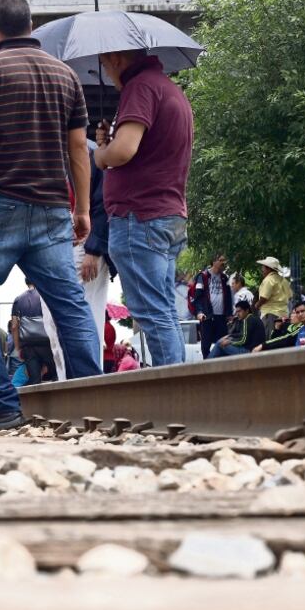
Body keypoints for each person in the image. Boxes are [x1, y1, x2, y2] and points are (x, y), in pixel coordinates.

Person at [0, 0, 100, 434]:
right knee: (69, 305)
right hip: (52, 208)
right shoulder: (63, 75)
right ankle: (94, 398)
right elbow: (77, 150)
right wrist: (82, 210)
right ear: (30, 25)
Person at [94, 39, 194, 367]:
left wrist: (101, 155)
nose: (106, 73)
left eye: (105, 65)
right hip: (166, 215)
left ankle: (175, 394)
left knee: (152, 312)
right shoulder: (169, 89)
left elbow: (123, 151)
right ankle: (180, 384)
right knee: (162, 309)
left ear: (116, 57)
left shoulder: (140, 88)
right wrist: (110, 143)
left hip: (140, 216)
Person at [44, 141, 113, 378]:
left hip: (83, 246)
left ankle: (89, 383)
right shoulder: (45, 150)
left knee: (88, 318)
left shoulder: (90, 153)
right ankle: (68, 385)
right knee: (53, 324)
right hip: (54, 249)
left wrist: (94, 249)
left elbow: (103, 203)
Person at [11, 279, 56, 385]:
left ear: (26, 282)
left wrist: (18, 347)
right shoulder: (45, 296)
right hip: (47, 343)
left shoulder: (18, 300)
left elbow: (14, 326)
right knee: (56, 376)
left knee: (34, 380)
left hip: (28, 346)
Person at [191, 254, 232, 359]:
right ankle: (207, 369)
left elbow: (228, 297)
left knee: (224, 344)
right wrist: (199, 312)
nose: (224, 263)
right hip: (207, 316)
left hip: (221, 317)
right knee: (206, 345)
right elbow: (198, 297)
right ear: (214, 261)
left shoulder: (224, 278)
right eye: (221, 260)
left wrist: (229, 314)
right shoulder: (203, 276)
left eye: (224, 260)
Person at [254, 257, 293, 340]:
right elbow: (290, 296)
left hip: (271, 314)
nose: (262, 269)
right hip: (284, 314)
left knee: (270, 339)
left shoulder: (268, 280)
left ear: (268, 268)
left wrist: (257, 305)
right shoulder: (284, 280)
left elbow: (264, 297)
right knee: (281, 339)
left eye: (263, 267)